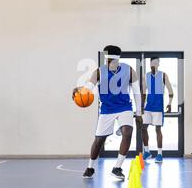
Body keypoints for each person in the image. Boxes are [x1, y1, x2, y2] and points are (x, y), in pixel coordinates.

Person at [73, 45, 142, 180]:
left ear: (114, 59)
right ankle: (90, 167)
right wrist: (79, 89)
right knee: (99, 140)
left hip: (125, 107)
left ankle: (117, 168)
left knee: (127, 133)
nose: (107, 62)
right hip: (107, 109)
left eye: (109, 59)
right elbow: (89, 87)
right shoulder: (99, 71)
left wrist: (138, 113)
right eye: (106, 60)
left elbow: (137, 92)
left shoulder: (129, 70)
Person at [141, 57, 174, 163]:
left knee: (157, 130)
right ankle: (147, 151)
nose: (153, 64)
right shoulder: (146, 76)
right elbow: (144, 92)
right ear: (150, 64)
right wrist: (142, 105)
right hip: (148, 107)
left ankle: (159, 154)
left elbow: (170, 90)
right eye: (152, 62)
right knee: (143, 128)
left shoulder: (163, 75)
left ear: (158, 64)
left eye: (156, 62)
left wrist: (169, 103)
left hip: (158, 107)